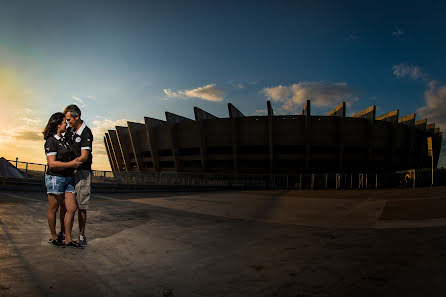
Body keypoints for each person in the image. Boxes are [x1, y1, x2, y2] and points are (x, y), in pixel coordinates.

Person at [43, 112, 83, 248]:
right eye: (64, 122)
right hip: (55, 178)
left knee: (71, 208)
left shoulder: (64, 140)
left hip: (68, 179)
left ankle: (67, 239)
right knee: (53, 208)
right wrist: (71, 164)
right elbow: (52, 164)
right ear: (58, 124)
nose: (66, 123)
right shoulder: (51, 141)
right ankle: (54, 237)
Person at [64, 104, 93, 247]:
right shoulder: (70, 131)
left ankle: (81, 235)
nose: (67, 122)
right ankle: (65, 234)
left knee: (82, 206)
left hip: (82, 173)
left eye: (69, 119)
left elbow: (84, 157)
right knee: (68, 206)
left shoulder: (86, 132)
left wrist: (68, 164)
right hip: (70, 171)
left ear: (77, 117)